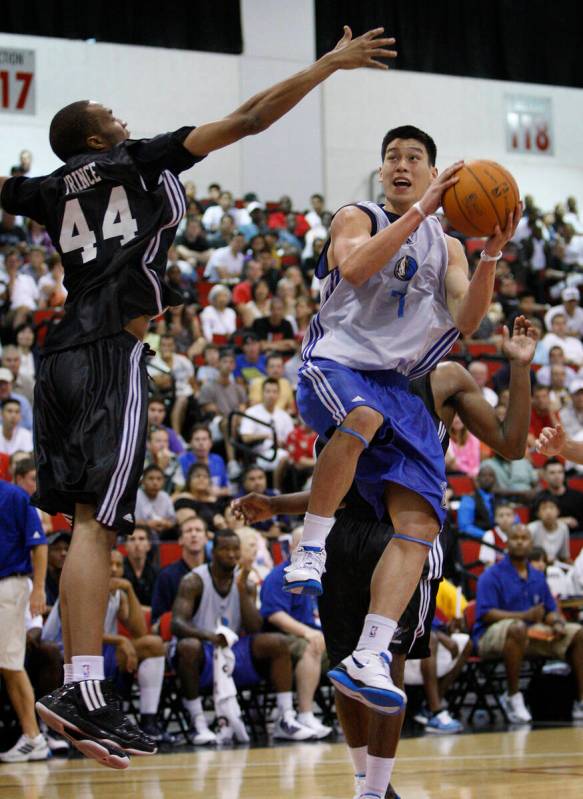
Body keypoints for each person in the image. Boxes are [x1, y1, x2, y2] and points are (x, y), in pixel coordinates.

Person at [0, 26, 396, 767]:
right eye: (108, 111)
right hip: (106, 350)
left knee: (89, 520)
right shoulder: (134, 156)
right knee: (97, 524)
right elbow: (249, 120)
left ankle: (83, 689)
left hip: (58, 357)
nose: (121, 116)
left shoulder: (50, 188)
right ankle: (81, 689)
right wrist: (327, 65)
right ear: (93, 134)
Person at [234, 316, 534, 798]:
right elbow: (335, 481)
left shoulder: (446, 377)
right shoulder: (345, 373)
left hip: (402, 535)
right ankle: (365, 785)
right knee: (344, 669)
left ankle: (377, 789)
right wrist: (276, 505)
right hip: (342, 531)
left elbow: (513, 444)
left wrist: (519, 369)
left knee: (385, 666)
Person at [284, 122, 520, 713]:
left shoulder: (449, 246)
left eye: (414, 157)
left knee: (422, 518)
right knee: (359, 416)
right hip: (337, 364)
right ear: (382, 169)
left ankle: (370, 651)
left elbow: (468, 322)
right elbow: (357, 268)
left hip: (394, 383)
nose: (401, 164)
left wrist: (491, 251)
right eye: (392, 156)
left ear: (435, 169)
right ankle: (311, 547)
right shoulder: (356, 214)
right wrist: (418, 212)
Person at [171, 528, 315, 744]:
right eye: (225, 549)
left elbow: (255, 627)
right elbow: (177, 623)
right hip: (204, 649)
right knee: (188, 646)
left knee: (278, 642)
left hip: (233, 650)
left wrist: (241, 590)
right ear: (213, 552)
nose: (231, 554)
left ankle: (285, 718)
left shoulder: (245, 583)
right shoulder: (193, 581)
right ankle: (197, 722)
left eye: (235, 549)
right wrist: (209, 636)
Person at [474, 524, 583, 724]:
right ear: (507, 543)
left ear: (531, 543)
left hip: (530, 633)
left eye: (525, 538)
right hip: (491, 636)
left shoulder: (537, 576)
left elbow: (549, 610)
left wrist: (557, 622)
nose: (520, 542)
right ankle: (512, 696)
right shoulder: (491, 575)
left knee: (576, 632)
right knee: (518, 628)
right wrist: (525, 615)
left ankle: (580, 701)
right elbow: (486, 614)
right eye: (515, 538)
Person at [259, 526, 332, 740]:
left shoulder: (324, 577)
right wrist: (308, 633)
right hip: (284, 641)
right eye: (303, 546)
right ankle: (305, 714)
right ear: (291, 547)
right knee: (311, 646)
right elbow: (274, 614)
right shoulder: (279, 576)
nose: (309, 552)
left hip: (319, 637)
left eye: (315, 548)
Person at [0, 480, 49, 763]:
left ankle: (33, 737)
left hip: (8, 585)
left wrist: (39, 588)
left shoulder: (14, 496)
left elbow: (39, 544)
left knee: (10, 664)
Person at [239, 378, 295, 490]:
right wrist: (267, 436)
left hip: (281, 450)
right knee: (284, 458)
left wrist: (283, 443)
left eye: (274, 392)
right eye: (268, 391)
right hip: (259, 454)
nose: (271, 395)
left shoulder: (284, 415)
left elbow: (291, 439)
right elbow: (245, 437)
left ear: (278, 394)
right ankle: (276, 490)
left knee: (294, 457)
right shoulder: (252, 412)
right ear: (262, 393)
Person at [151, 516, 208, 624]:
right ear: (180, 540)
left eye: (198, 530)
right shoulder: (167, 576)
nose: (193, 534)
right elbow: (157, 620)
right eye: (188, 531)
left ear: (206, 539)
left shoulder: (215, 572)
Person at [534, 457, 583, 531]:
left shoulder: (578, 497)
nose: (557, 476)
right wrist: (559, 522)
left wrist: (576, 523)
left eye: (560, 472)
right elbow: (534, 523)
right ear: (544, 476)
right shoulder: (539, 498)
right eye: (552, 473)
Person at [134, 465, 177, 539]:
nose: (155, 482)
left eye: (159, 479)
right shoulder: (135, 496)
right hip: (138, 533)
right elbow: (127, 520)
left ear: (163, 481)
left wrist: (163, 523)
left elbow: (173, 522)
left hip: (162, 534)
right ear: (143, 481)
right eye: (151, 478)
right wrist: (146, 524)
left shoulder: (165, 497)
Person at [456, 465, 497, 539]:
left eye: (490, 475)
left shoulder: (499, 499)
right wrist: (487, 536)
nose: (487, 478)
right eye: (483, 475)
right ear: (477, 479)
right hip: (476, 541)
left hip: (497, 540)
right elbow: (464, 527)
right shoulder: (468, 499)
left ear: (495, 480)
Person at [123, 525, 159, 608]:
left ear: (149, 545)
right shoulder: (118, 570)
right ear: (125, 546)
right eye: (132, 539)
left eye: (141, 539)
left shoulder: (157, 573)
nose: (137, 543)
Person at [527, 496, 571, 564]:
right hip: (536, 564)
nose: (548, 512)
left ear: (558, 511)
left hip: (555, 566)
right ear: (538, 513)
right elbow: (526, 555)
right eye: (544, 508)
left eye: (552, 507)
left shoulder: (563, 528)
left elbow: (564, 556)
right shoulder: (531, 528)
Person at [478, 502, 515, 567]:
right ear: (495, 519)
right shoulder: (489, 535)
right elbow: (489, 565)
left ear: (514, 517)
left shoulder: (519, 533)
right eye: (501, 515)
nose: (505, 519)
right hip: (497, 575)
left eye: (508, 515)